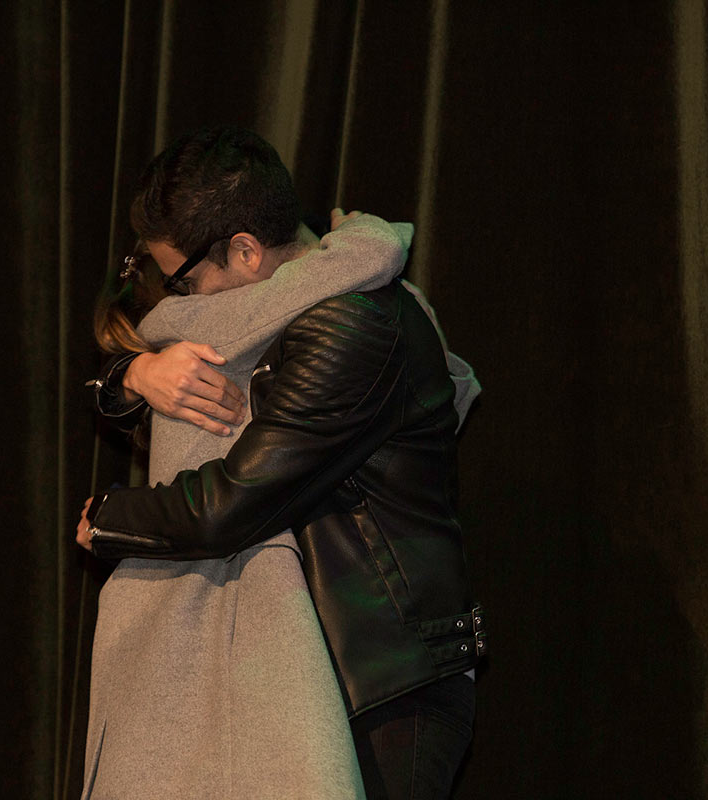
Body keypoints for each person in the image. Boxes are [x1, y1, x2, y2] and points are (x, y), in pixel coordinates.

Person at [80, 126, 485, 799]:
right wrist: (135, 375)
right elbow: (116, 358)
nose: (180, 303)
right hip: (306, 671)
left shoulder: (351, 323)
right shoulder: (281, 316)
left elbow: (231, 503)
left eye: (182, 280)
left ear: (245, 251)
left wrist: (108, 518)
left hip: (382, 689)